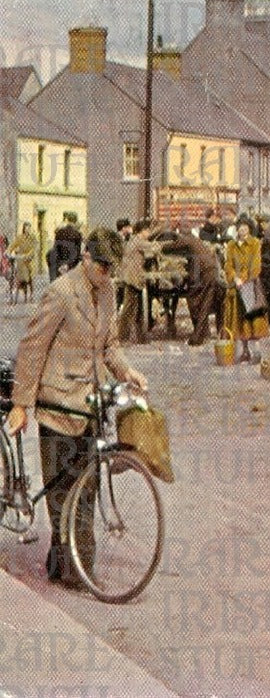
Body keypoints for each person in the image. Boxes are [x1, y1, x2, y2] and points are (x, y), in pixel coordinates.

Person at [7, 227, 147, 588]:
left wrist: (127, 370)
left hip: (89, 404)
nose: (107, 274)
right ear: (86, 258)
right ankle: (71, 568)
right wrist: (22, 404)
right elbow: (33, 348)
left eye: (111, 269)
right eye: (102, 267)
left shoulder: (108, 290)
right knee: (63, 489)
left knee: (87, 488)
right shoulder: (61, 292)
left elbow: (110, 345)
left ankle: (73, 566)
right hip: (58, 402)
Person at [159, 228, 221, 345]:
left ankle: (197, 338)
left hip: (204, 275)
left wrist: (160, 247)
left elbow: (172, 247)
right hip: (212, 273)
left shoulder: (188, 240)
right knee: (204, 304)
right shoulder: (198, 242)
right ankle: (203, 333)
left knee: (194, 302)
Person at [222, 217, 268, 363]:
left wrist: (246, 279)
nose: (242, 230)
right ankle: (245, 351)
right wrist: (234, 278)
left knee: (253, 320)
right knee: (239, 322)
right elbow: (228, 264)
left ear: (249, 229)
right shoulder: (231, 245)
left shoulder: (255, 243)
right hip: (236, 287)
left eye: (245, 227)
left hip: (250, 286)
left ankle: (257, 352)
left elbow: (256, 264)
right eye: (240, 228)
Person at [117, 219, 159, 345]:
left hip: (132, 277)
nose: (149, 233)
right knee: (129, 309)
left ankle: (141, 337)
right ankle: (122, 337)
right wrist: (162, 244)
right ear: (142, 231)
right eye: (148, 231)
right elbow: (153, 248)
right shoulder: (139, 241)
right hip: (133, 278)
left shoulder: (133, 240)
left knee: (138, 308)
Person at [8, 222, 36, 302]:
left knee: (31, 278)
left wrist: (28, 255)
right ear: (23, 229)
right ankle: (15, 294)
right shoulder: (20, 237)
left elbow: (34, 248)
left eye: (29, 228)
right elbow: (13, 245)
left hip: (29, 260)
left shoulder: (32, 238)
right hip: (21, 260)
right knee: (17, 275)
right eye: (26, 228)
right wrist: (8, 252)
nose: (27, 230)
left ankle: (31, 295)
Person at [51, 212, 82, 281]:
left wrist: (59, 265)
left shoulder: (59, 232)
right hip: (72, 266)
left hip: (60, 265)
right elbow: (77, 253)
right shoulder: (77, 234)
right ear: (76, 221)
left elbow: (56, 249)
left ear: (67, 220)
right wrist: (68, 265)